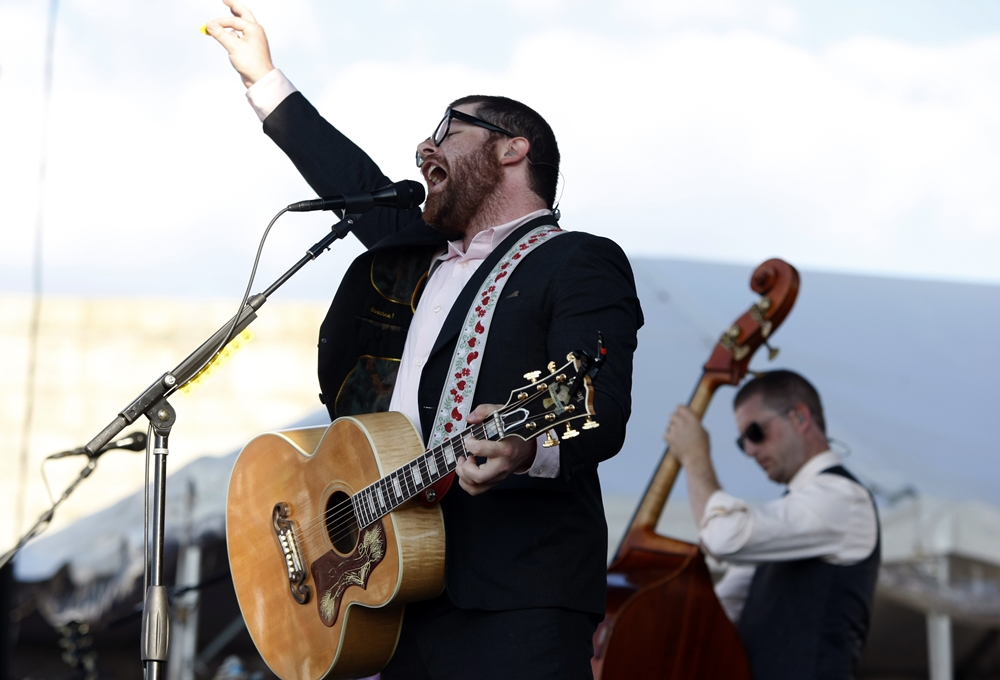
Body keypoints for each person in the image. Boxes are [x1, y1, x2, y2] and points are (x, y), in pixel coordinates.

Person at [205, 2, 643, 677]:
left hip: (515, 600)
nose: (424, 148)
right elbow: (351, 183)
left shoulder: (577, 261)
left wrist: (525, 444)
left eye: (449, 130)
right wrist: (263, 78)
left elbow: (601, 406)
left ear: (511, 147)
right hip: (402, 591)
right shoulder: (418, 254)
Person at [665, 370, 879, 679]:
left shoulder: (842, 498)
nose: (750, 450)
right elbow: (720, 609)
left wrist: (696, 458)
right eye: (742, 442)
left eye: (755, 432)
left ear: (800, 417)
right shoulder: (791, 512)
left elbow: (724, 539)